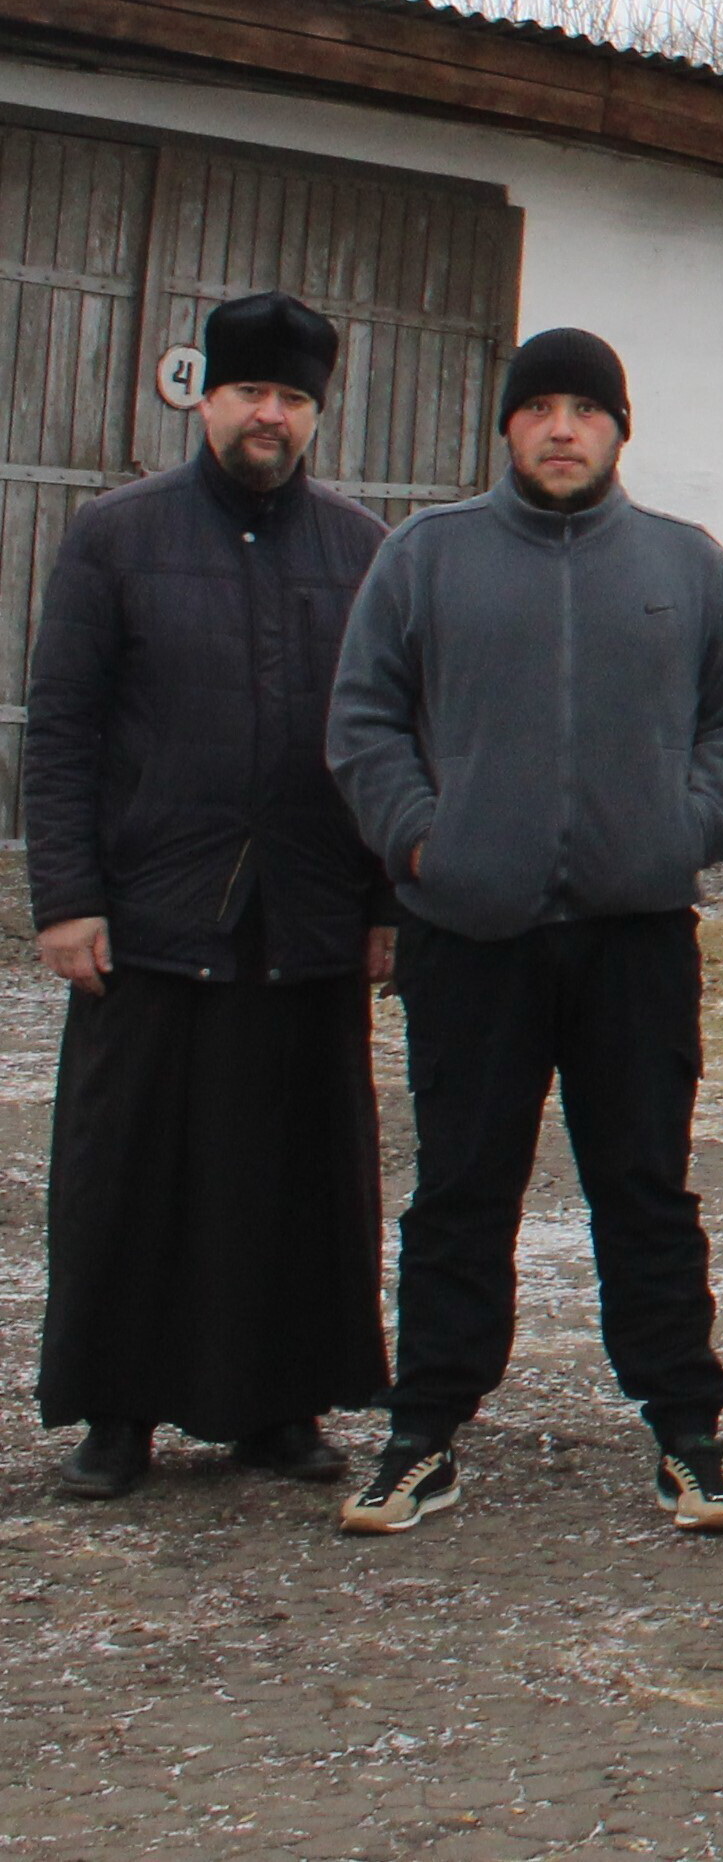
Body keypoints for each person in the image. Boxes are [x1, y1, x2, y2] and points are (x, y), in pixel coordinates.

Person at [323, 327, 723, 1536]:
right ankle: (425, 1430)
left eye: (587, 409)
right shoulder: (428, 556)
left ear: (621, 431)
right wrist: (423, 839)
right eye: (541, 410)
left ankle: (686, 1430)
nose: (563, 429)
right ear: (508, 428)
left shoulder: (680, 564)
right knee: (463, 1190)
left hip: (634, 935)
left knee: (645, 1188)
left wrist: (688, 828)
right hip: (471, 932)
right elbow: (363, 719)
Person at [28, 292, 390, 1503]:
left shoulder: (359, 548)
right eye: (249, 393)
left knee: (284, 1172)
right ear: (205, 398)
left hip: (307, 913)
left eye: (292, 398)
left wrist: (383, 902)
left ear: (314, 414)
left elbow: (390, 733)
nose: (269, 416)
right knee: (131, 1172)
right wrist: (67, 897)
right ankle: (117, 1415)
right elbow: (65, 728)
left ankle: (276, 1409)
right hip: (149, 910)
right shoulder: (116, 535)